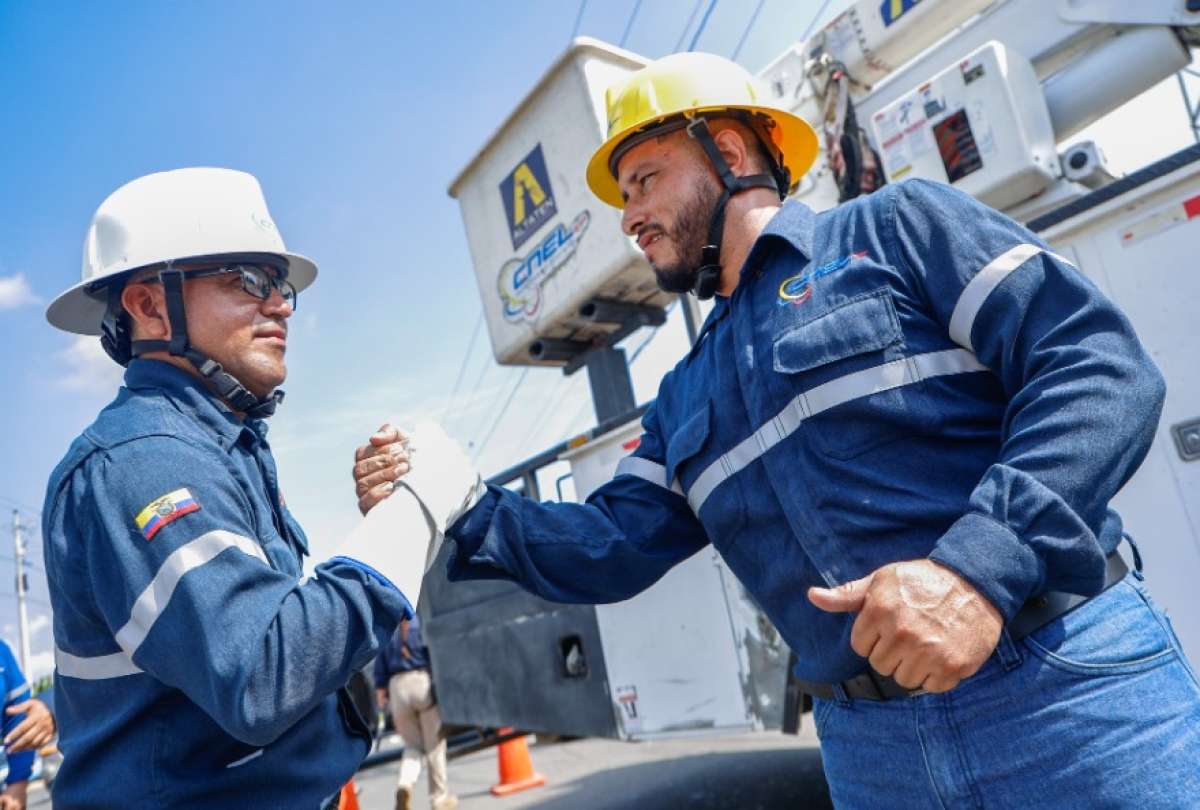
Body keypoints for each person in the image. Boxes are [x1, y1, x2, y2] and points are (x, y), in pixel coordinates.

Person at [359, 53, 1200, 806]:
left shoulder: (896, 228)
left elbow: (1096, 366)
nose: (628, 215)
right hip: (873, 755)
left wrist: (977, 570)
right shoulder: (686, 390)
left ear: (728, 153)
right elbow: (607, 546)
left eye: (644, 178)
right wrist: (457, 499)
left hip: (1061, 693)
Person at [42, 168, 415, 808]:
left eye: (282, 284)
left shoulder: (218, 448)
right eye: (248, 280)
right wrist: (402, 534)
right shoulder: (144, 464)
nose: (281, 305)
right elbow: (262, 674)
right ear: (149, 304)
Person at [374, 617, 456, 810]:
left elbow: (379, 675)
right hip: (421, 684)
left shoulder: (386, 629)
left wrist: (382, 697)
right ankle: (439, 799)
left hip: (397, 689)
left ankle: (405, 784)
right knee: (434, 746)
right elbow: (434, 656)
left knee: (412, 746)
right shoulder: (420, 624)